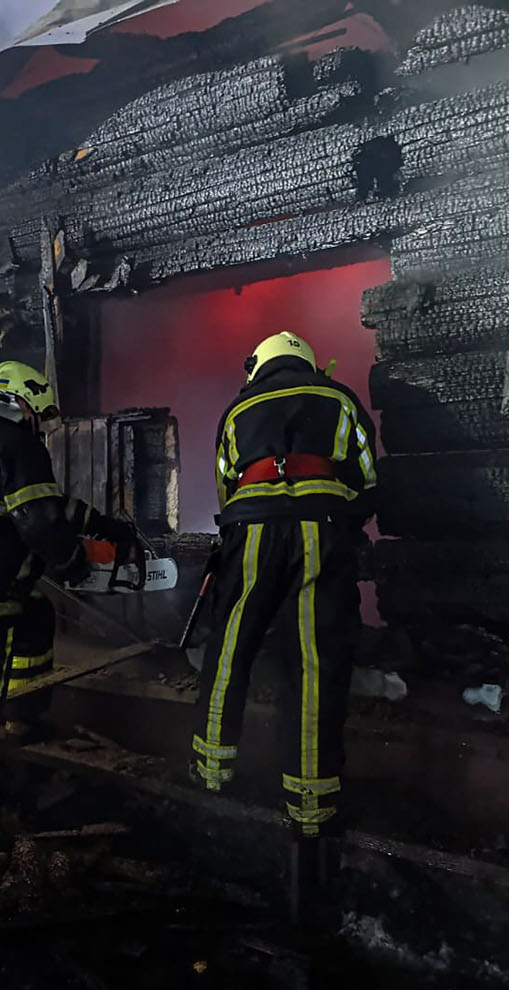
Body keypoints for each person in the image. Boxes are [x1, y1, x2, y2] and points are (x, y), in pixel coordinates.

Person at [0, 360, 132, 868]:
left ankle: (19, 718)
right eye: (40, 412)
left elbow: (44, 503)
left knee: (35, 616)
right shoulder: (18, 445)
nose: (41, 423)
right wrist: (74, 563)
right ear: (24, 400)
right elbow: (39, 523)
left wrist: (103, 524)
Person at [191, 331, 378, 840]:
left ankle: (210, 772)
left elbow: (226, 484)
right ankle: (310, 802)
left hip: (250, 529)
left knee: (231, 646)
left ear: (260, 366)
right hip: (319, 528)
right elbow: (367, 478)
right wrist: (345, 518)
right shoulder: (338, 397)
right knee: (315, 659)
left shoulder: (238, 407)